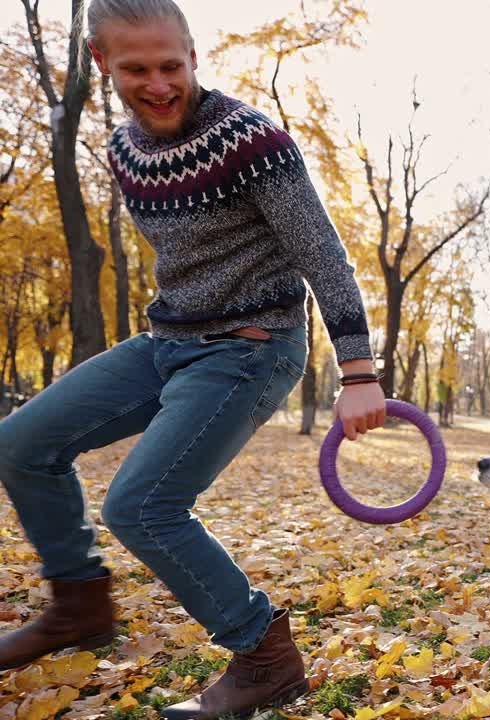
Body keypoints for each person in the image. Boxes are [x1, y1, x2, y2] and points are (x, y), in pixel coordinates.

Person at [0, 3, 385, 718]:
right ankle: (79, 604)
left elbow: (322, 254)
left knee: (141, 506)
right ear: (101, 63)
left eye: (170, 66)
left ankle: (264, 656)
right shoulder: (124, 150)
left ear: (193, 54)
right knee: (20, 444)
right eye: (136, 69)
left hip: (251, 347)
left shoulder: (252, 140)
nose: (157, 85)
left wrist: (358, 371)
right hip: (168, 342)